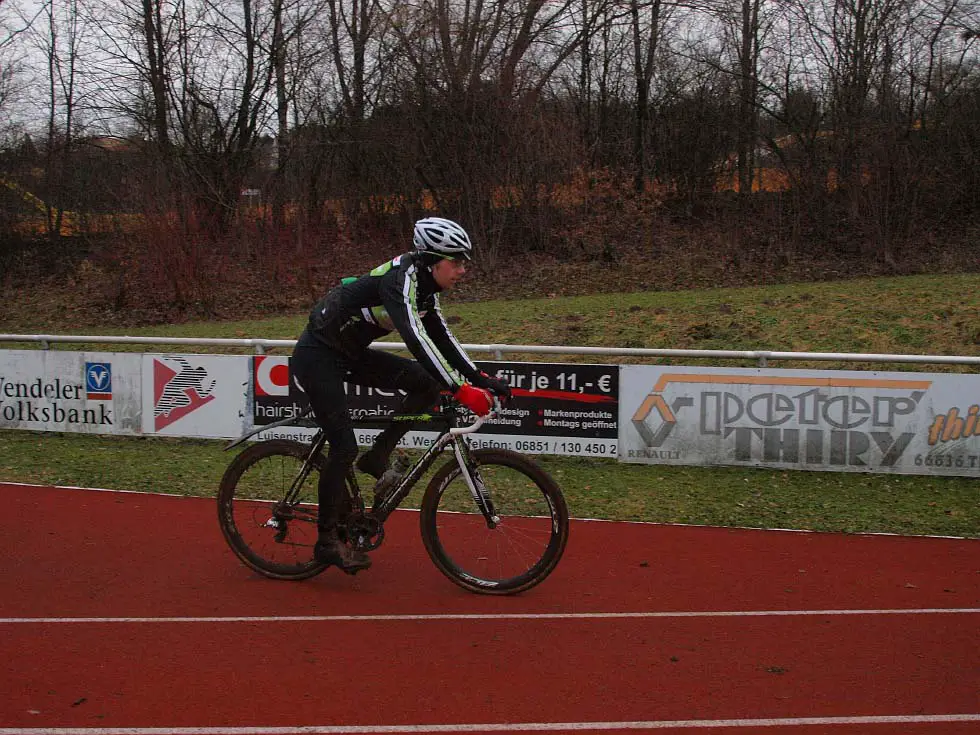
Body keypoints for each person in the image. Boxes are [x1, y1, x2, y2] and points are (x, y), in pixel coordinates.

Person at [290, 217, 512, 573]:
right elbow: (416, 339)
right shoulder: (401, 279)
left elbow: (441, 335)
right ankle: (326, 541)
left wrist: (479, 377)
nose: (463, 269)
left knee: (426, 384)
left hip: (350, 353)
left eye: (464, 262)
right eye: (456, 262)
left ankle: (377, 457)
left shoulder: (426, 288)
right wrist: (461, 389)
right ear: (431, 260)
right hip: (318, 356)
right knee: (343, 446)